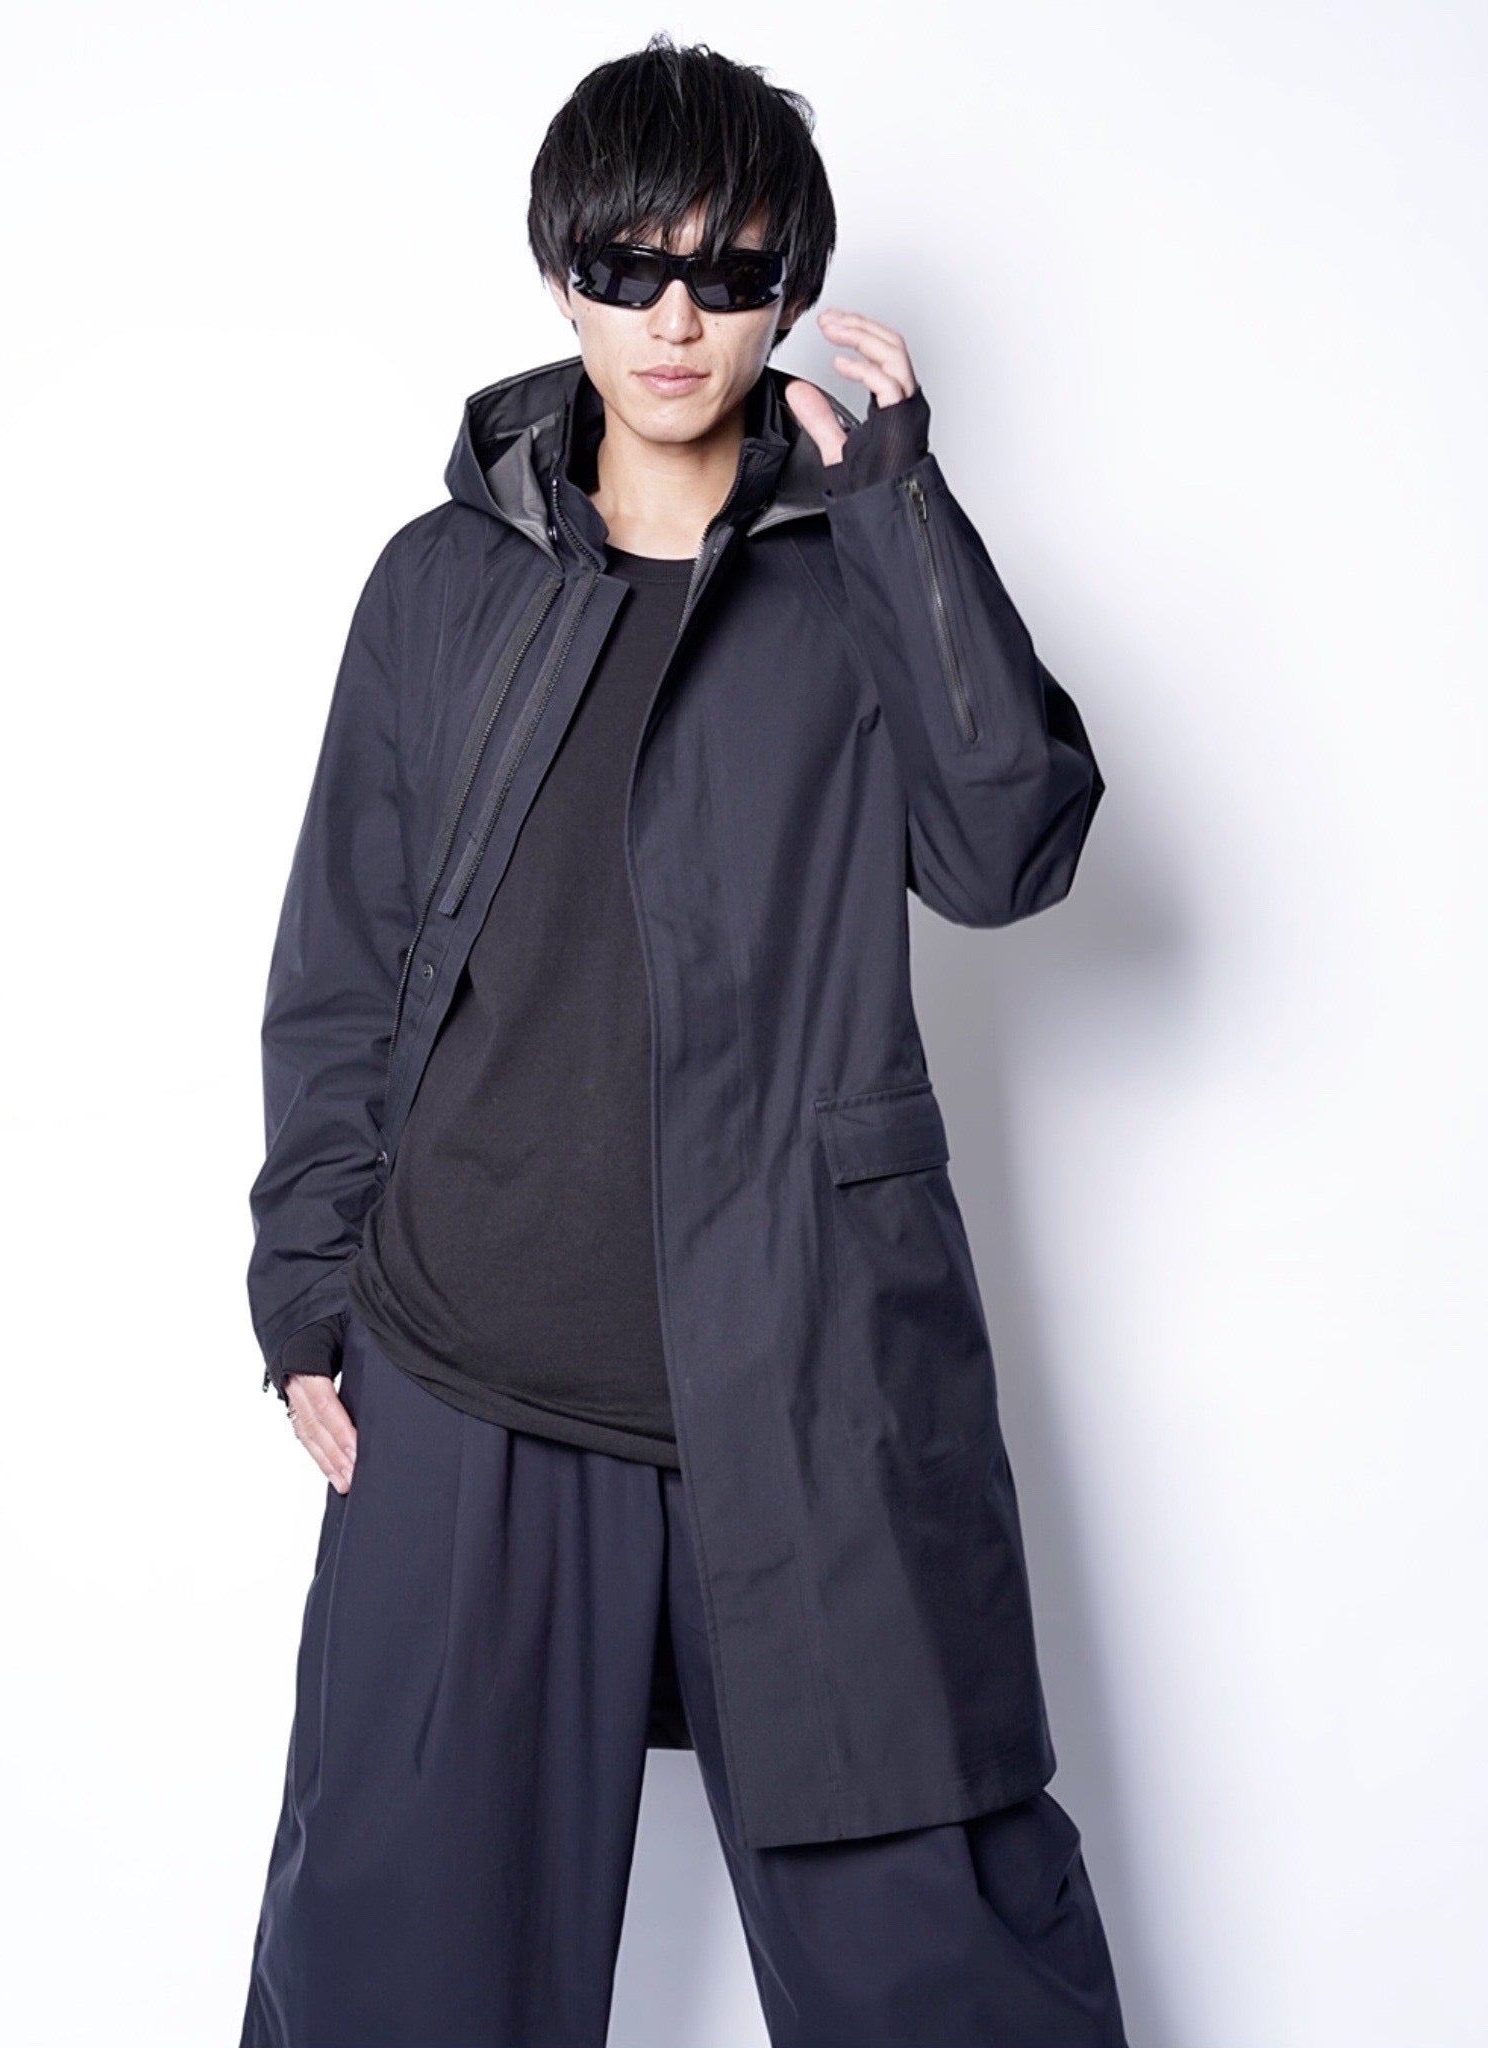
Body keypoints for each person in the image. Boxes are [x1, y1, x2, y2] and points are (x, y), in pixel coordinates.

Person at [238, 32, 1129, 2048]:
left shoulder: (858, 571)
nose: (671, 318)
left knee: (946, 1967)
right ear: (558, 273)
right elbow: (344, 963)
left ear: (786, 292)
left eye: (726, 274)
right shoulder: (439, 587)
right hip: (465, 1380)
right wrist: (305, 1288)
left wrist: (900, 507)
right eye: (627, 266)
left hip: (815, 1385)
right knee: (397, 1976)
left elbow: (1011, 853)